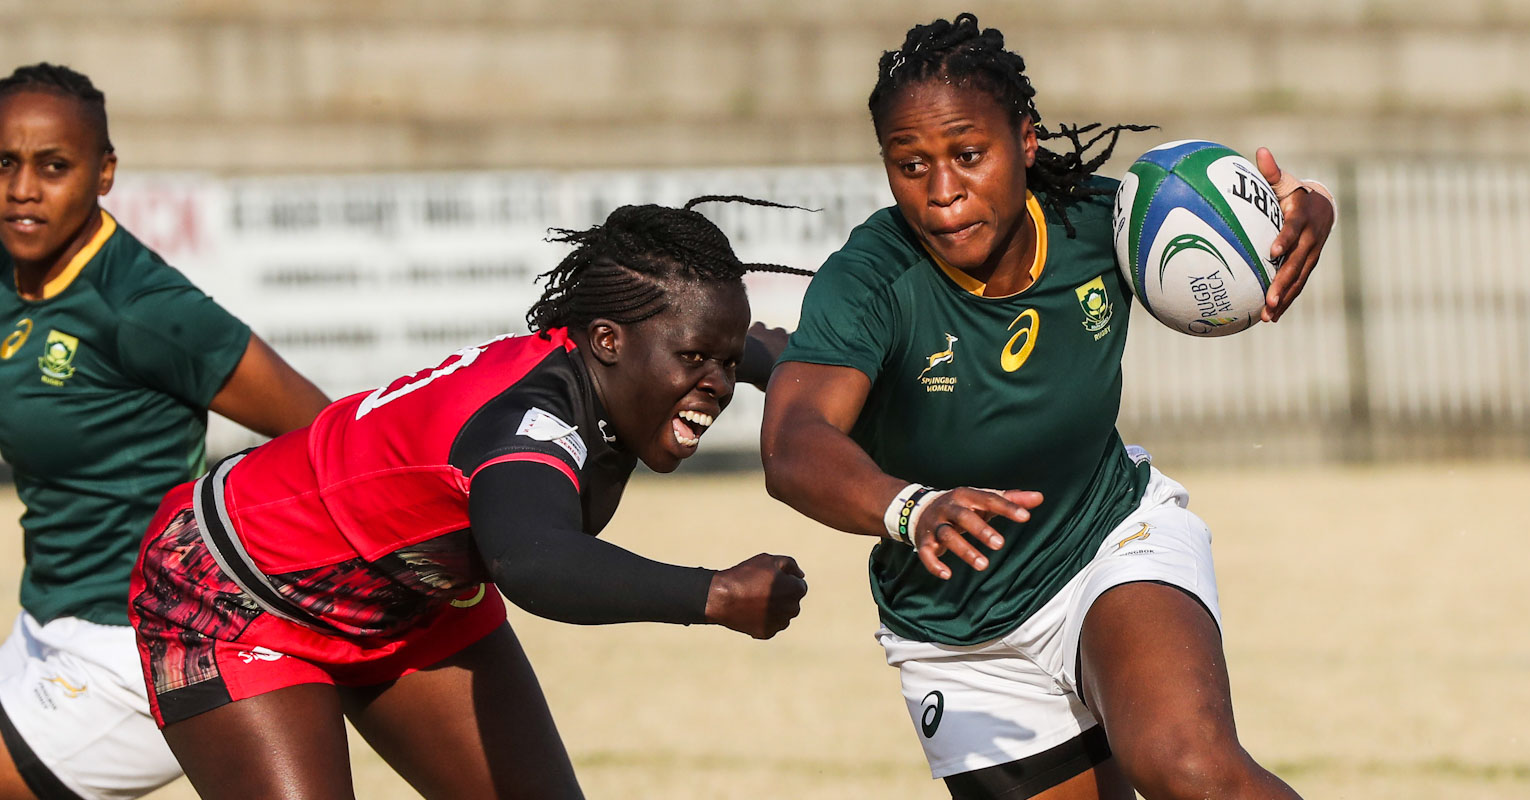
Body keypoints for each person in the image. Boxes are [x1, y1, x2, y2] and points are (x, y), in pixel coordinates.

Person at [762, 14, 1336, 800]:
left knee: (1191, 769)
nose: (941, 192)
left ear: (1025, 141)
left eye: (968, 155)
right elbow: (793, 444)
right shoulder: (870, 279)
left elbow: (1250, 215)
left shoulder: (1106, 221)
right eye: (910, 164)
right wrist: (911, 509)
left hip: (1107, 541)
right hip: (959, 632)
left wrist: (1305, 212)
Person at [128, 198, 812, 799]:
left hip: (406, 596)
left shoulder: (626, 356)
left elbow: (719, 344)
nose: (717, 385)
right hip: (229, 593)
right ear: (607, 341)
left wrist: (778, 362)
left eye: (725, 364)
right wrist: (714, 594)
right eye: (699, 361)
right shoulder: (530, 427)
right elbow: (532, 564)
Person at [0, 64, 331, 800]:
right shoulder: (12, 270)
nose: (23, 188)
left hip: (138, 648)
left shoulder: (142, 308)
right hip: (44, 621)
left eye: (53, 167)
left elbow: (323, 432)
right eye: (5, 163)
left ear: (104, 172)